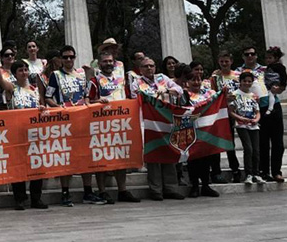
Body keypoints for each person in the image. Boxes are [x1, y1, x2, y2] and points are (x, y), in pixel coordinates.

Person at [45, 45, 106, 207]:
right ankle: (65, 193)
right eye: (65, 57)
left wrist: (94, 103)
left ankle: (88, 191)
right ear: (60, 59)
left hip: (82, 120)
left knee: (86, 155)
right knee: (66, 157)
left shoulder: (81, 75)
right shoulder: (55, 75)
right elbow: (48, 97)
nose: (68, 60)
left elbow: (86, 97)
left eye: (71, 57)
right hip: (64, 121)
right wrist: (59, 108)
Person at [129, 57, 186, 201]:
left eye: (152, 66)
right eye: (146, 66)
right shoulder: (137, 82)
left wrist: (166, 90)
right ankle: (156, 190)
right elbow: (135, 98)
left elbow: (179, 90)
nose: (149, 68)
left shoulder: (163, 78)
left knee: (169, 153)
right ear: (140, 69)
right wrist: (154, 95)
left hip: (166, 120)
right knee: (153, 155)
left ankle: (171, 188)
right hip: (148, 121)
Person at [87, 51, 140, 203]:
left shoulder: (122, 79)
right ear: (100, 63)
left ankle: (122, 190)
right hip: (101, 124)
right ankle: (102, 190)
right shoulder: (94, 80)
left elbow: (130, 97)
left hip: (120, 123)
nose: (108, 64)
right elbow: (87, 101)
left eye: (110, 61)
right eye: (105, 61)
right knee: (101, 158)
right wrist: (98, 101)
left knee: (120, 157)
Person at [8, 59, 48, 210]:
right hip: (17, 132)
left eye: (26, 69)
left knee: (37, 165)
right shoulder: (12, 88)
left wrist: (42, 109)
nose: (24, 72)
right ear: (15, 73)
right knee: (18, 165)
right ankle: (19, 198)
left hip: (34, 131)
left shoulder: (35, 89)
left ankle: (36, 198)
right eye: (20, 70)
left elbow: (41, 104)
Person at [183, 68, 221, 199]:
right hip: (191, 131)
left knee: (206, 158)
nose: (196, 82)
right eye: (193, 79)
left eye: (198, 79)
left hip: (207, 131)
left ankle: (205, 185)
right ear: (187, 82)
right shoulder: (184, 95)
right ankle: (194, 185)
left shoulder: (209, 93)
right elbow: (182, 111)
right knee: (193, 159)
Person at [230, 71, 266, 185]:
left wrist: (256, 119)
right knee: (248, 148)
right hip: (241, 125)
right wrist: (241, 118)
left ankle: (256, 173)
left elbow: (257, 111)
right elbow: (231, 111)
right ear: (240, 81)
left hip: (253, 126)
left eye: (249, 81)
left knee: (256, 150)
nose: (247, 83)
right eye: (244, 81)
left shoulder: (253, 96)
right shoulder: (234, 94)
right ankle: (248, 174)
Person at [211, 50, 242, 182]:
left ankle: (235, 169)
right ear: (218, 62)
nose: (224, 64)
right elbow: (212, 92)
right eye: (222, 61)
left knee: (230, 142)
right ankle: (216, 171)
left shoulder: (237, 75)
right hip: (219, 111)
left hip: (235, 110)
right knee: (216, 141)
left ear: (231, 62)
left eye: (226, 61)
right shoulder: (215, 77)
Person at [260, 46, 287, 183]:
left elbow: (283, 83)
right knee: (262, 143)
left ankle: (276, 171)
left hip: (274, 106)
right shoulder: (246, 71)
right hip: (258, 108)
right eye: (247, 55)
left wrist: (281, 87)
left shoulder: (272, 68)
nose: (250, 56)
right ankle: (264, 171)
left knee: (278, 142)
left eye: (252, 54)